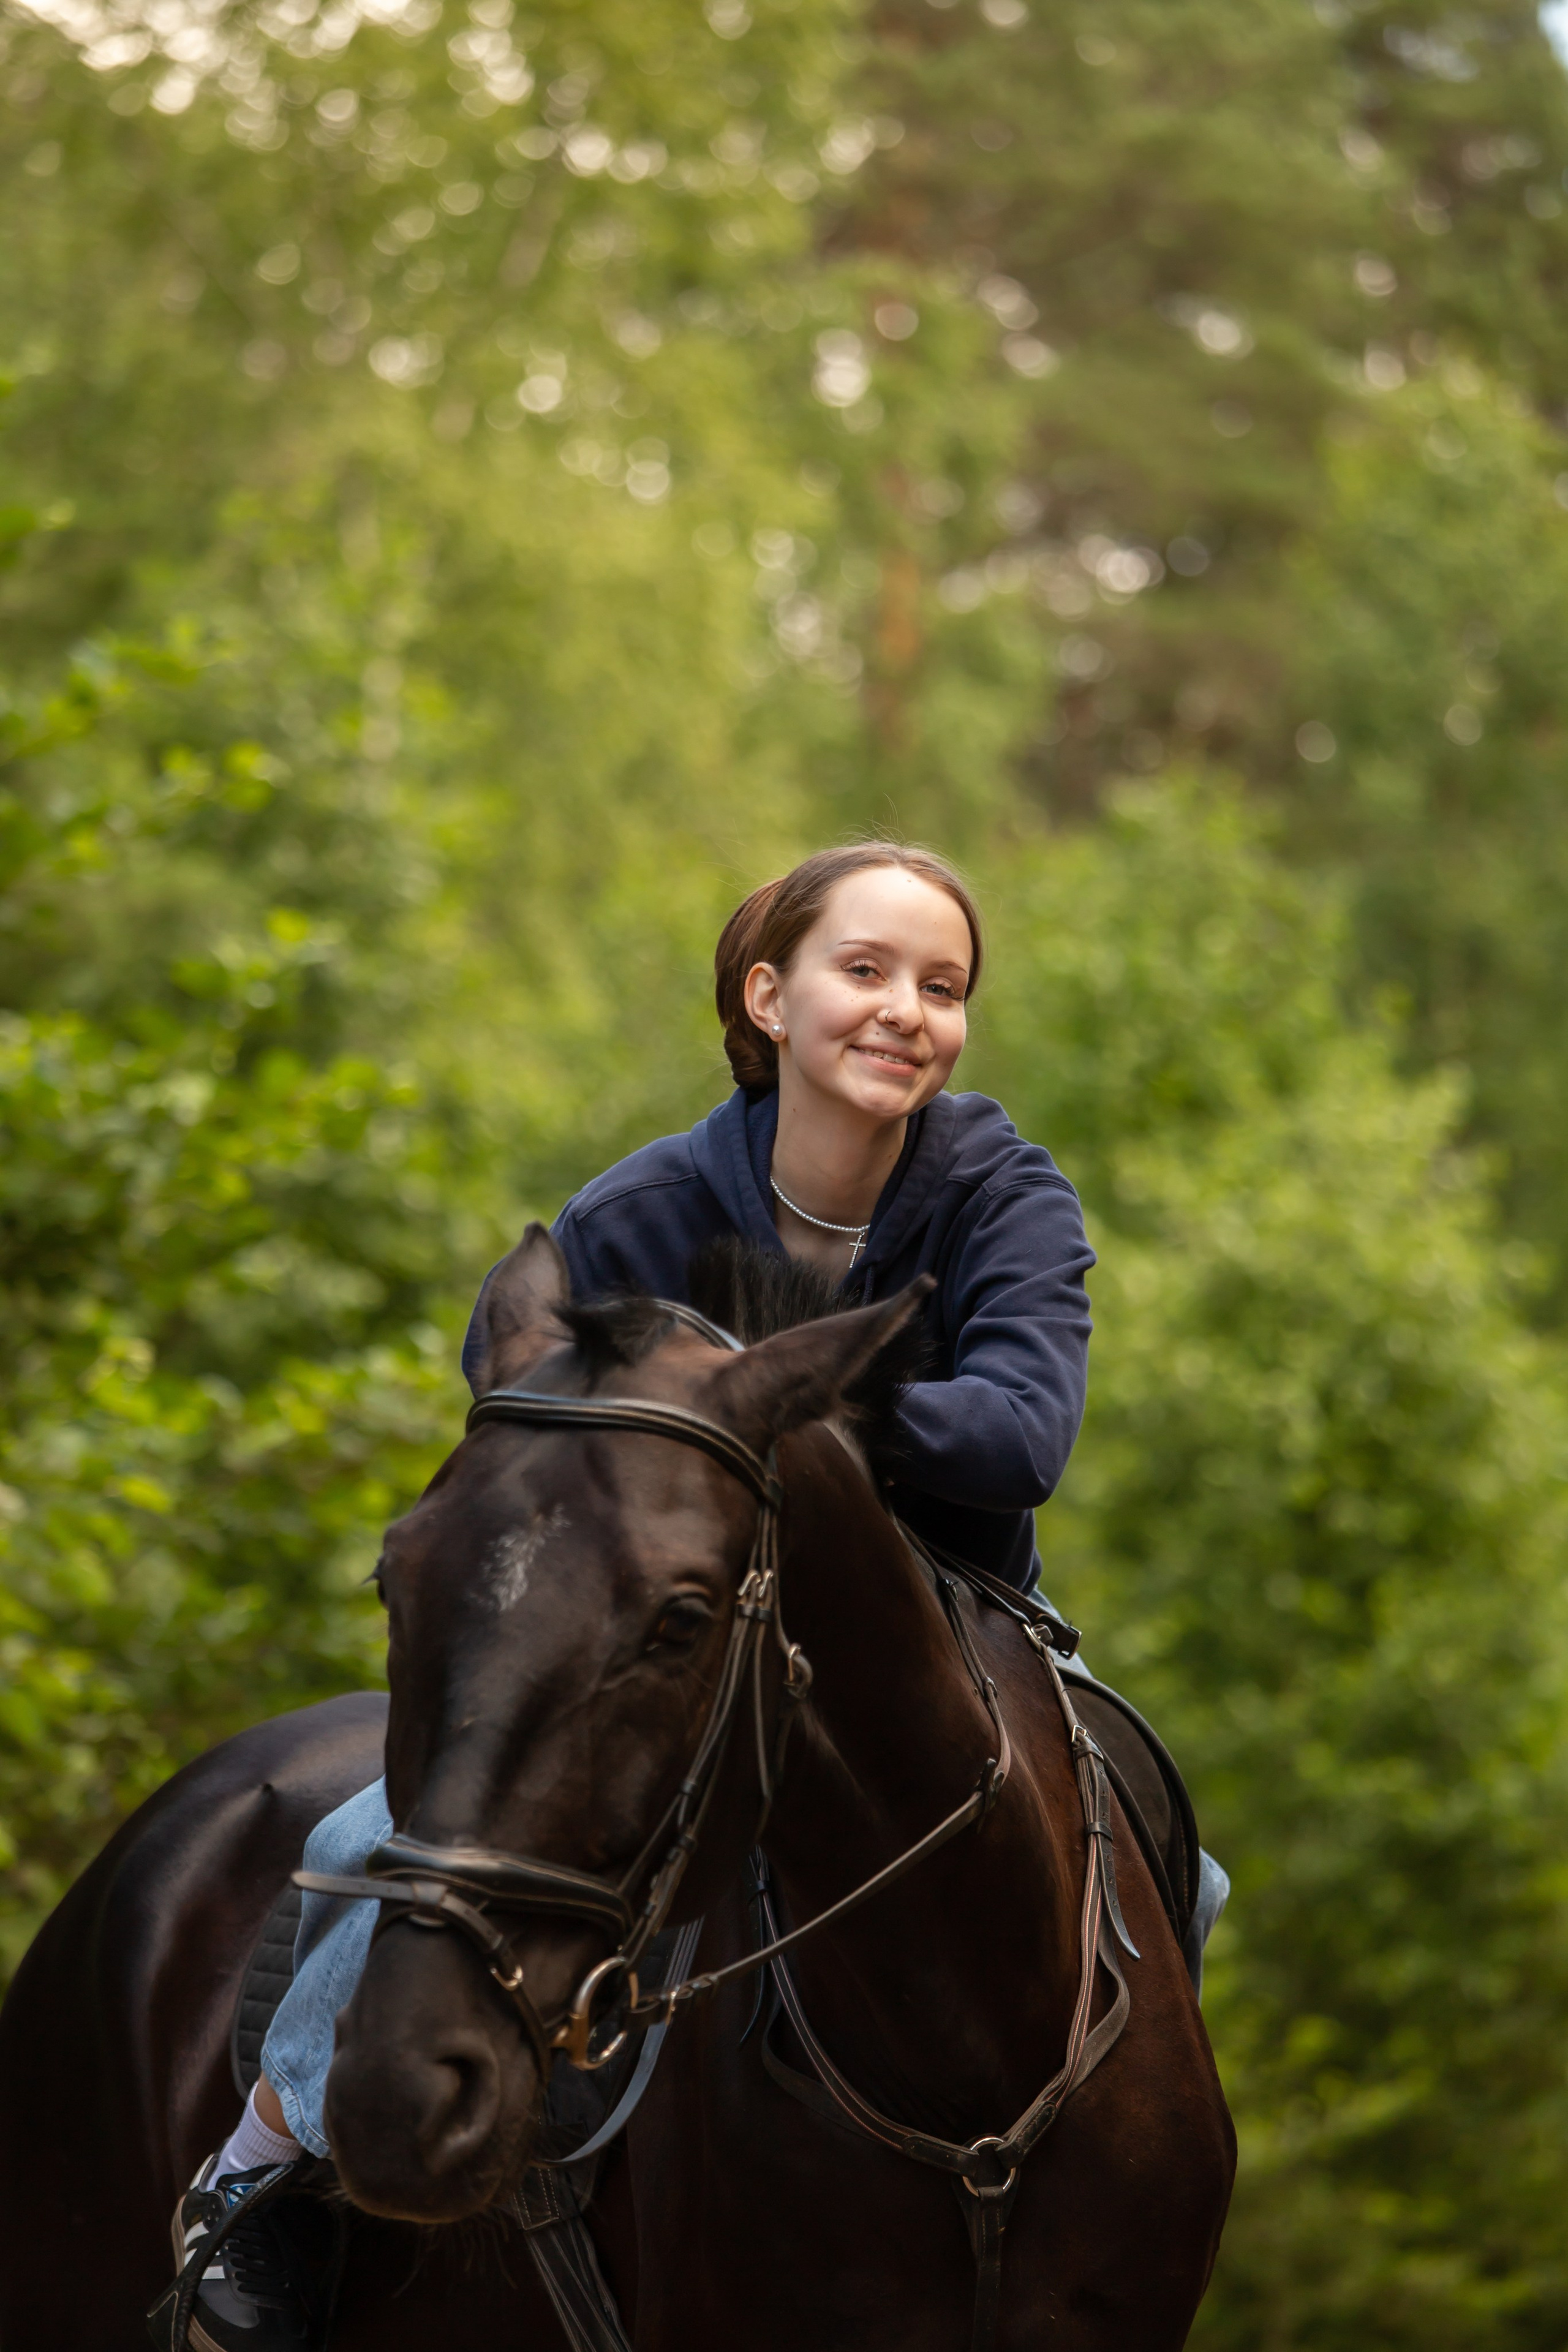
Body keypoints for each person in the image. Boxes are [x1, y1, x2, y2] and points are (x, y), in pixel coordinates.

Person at [154, 842, 1227, 2352]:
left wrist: (760, 1420)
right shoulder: (645, 1207)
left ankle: (1108, 2169)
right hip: (681, 1627)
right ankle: (262, 2168)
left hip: (946, 1625)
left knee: (1189, 1879)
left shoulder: (999, 1191)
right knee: (361, 1827)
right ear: (768, 995)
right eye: (866, 974)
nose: (905, 1011)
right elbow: (524, 1413)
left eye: (942, 988)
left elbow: (1018, 1438)